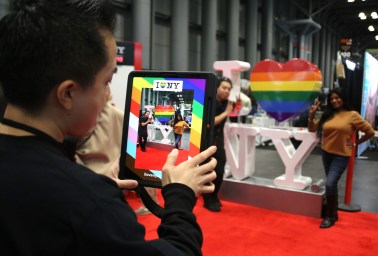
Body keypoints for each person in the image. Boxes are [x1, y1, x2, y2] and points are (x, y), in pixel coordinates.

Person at [0, 1, 218, 255]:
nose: (107, 96)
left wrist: (92, 187)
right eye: (106, 81)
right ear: (68, 93)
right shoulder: (89, 202)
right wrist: (180, 197)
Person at [308, 87, 375, 228]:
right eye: (332, 99)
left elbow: (370, 131)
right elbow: (312, 129)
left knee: (330, 183)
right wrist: (312, 115)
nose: (334, 100)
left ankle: (330, 216)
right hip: (326, 153)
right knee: (332, 185)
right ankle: (334, 213)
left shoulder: (352, 115)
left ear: (343, 98)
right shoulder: (328, 114)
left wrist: (356, 142)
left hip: (341, 155)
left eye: (337, 97)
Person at [203, 76, 241, 212]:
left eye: (229, 89)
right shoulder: (209, 101)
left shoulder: (227, 103)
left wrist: (236, 105)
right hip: (206, 143)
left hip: (218, 142)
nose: (226, 91)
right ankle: (207, 199)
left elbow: (238, 110)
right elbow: (209, 123)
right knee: (207, 172)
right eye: (224, 88)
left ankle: (214, 196)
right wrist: (226, 113)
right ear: (217, 88)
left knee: (220, 171)